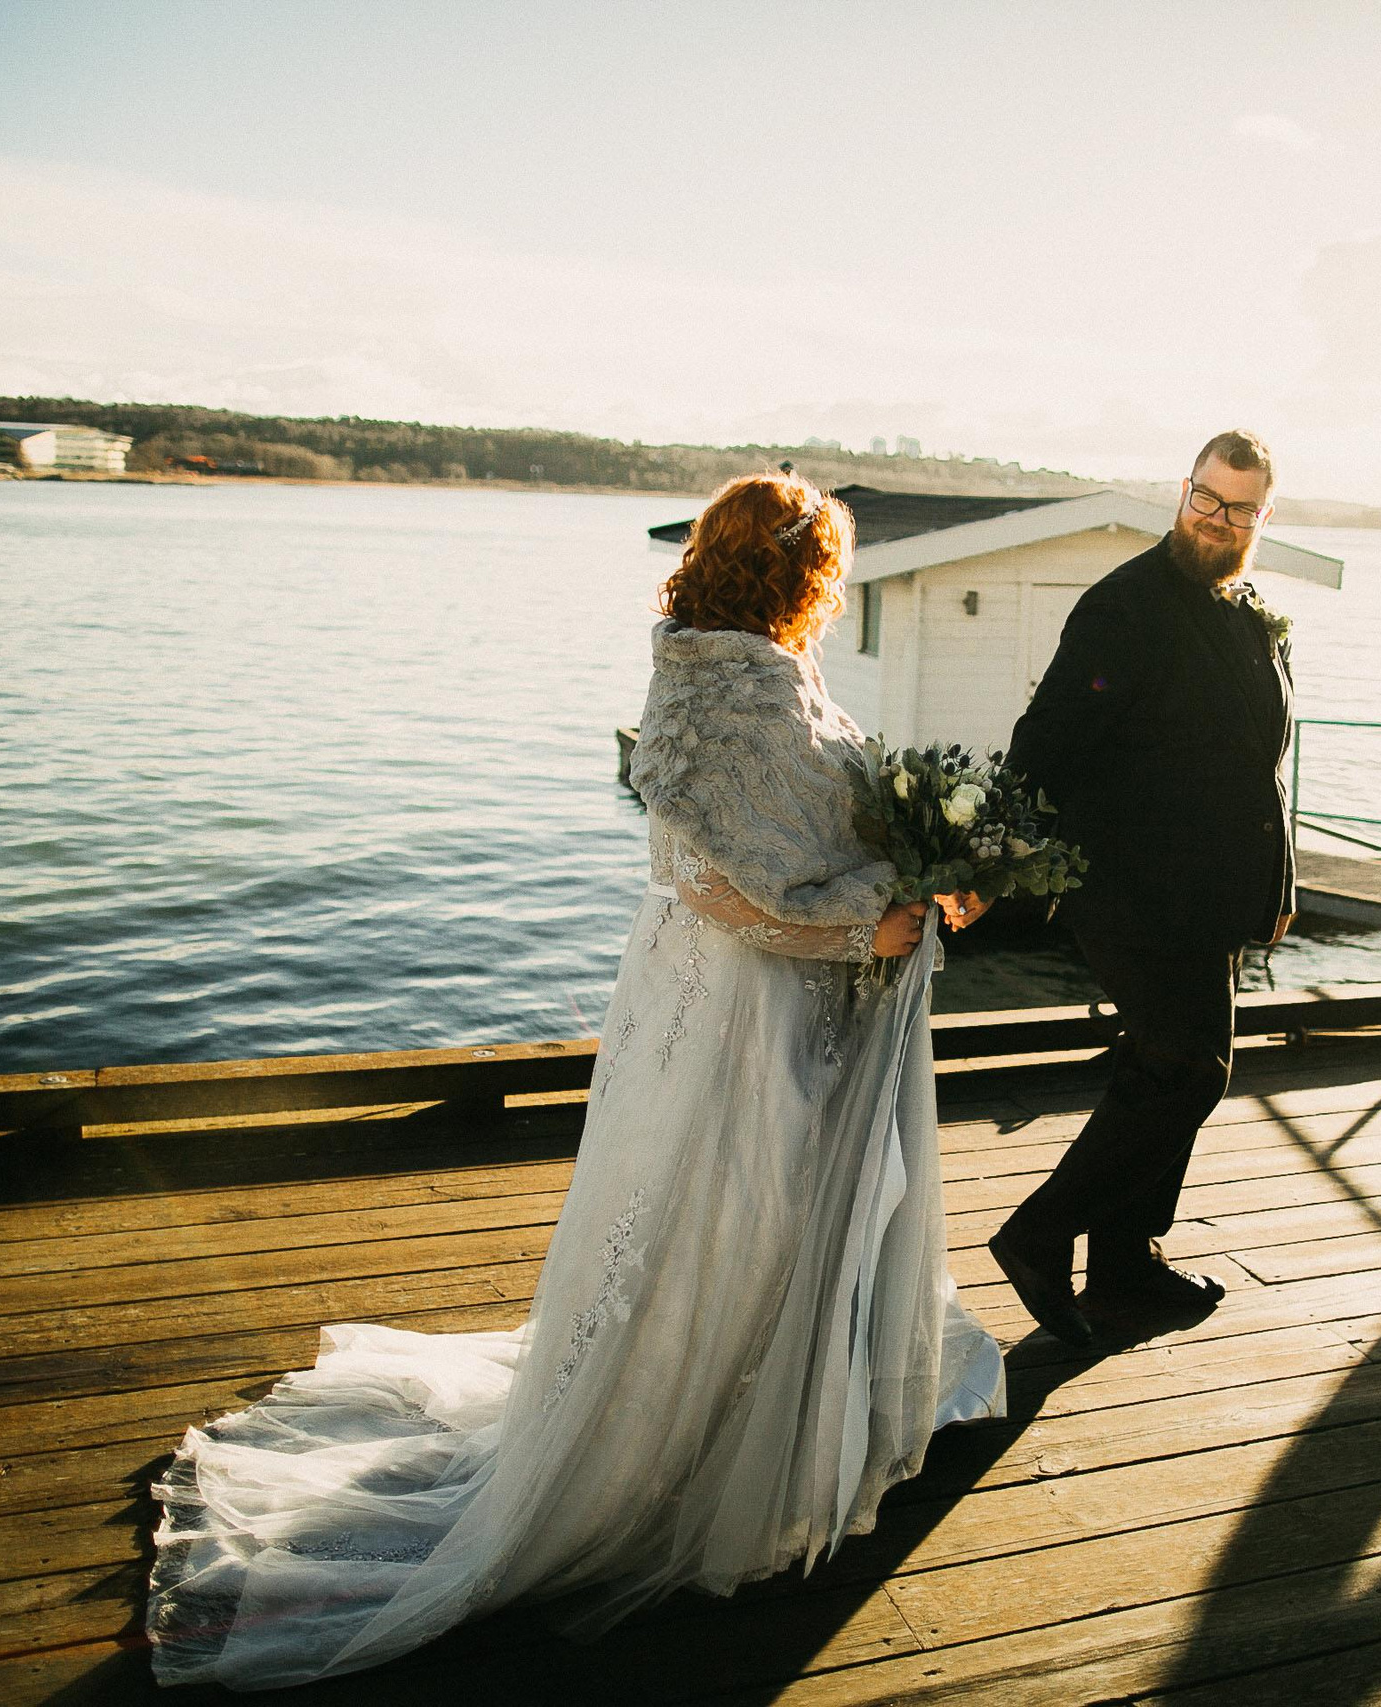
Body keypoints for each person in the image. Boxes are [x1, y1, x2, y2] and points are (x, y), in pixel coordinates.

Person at [145, 472, 1006, 1690]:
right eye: (834, 565)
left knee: (779, 1222)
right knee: (725, 1218)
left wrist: (931, 869)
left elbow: (821, 831)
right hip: (734, 1011)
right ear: (801, 574)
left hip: (790, 1005)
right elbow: (709, 886)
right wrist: (857, 927)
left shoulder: (777, 675)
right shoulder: (711, 691)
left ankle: (770, 1408)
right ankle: (681, 1451)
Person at [989, 429, 1296, 1348]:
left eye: (1238, 507)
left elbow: (1258, 767)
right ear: (1184, 490)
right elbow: (1046, 736)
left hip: (1214, 892)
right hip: (1128, 884)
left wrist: (1277, 877)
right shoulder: (1124, 606)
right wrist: (991, 855)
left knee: (1163, 1065)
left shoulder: (1247, 611)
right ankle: (1039, 1232)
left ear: (1261, 517)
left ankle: (1124, 1262)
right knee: (1189, 1066)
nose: (1216, 519)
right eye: (1206, 497)